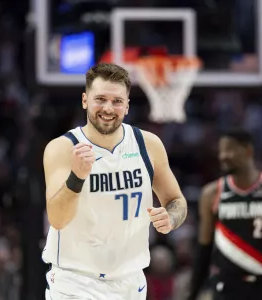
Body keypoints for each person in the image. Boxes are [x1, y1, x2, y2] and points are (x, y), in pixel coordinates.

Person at [42, 63, 188, 300]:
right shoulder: (63, 148)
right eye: (100, 99)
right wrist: (77, 177)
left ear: (127, 106)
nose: (108, 108)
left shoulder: (147, 145)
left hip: (130, 281)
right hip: (75, 282)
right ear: (85, 100)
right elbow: (57, 219)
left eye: (117, 101)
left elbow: (176, 201)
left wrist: (171, 218)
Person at [186, 129, 262, 300]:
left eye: (228, 150)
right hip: (225, 290)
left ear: (248, 150)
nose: (222, 156)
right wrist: (192, 295)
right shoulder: (212, 193)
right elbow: (203, 251)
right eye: (220, 151)